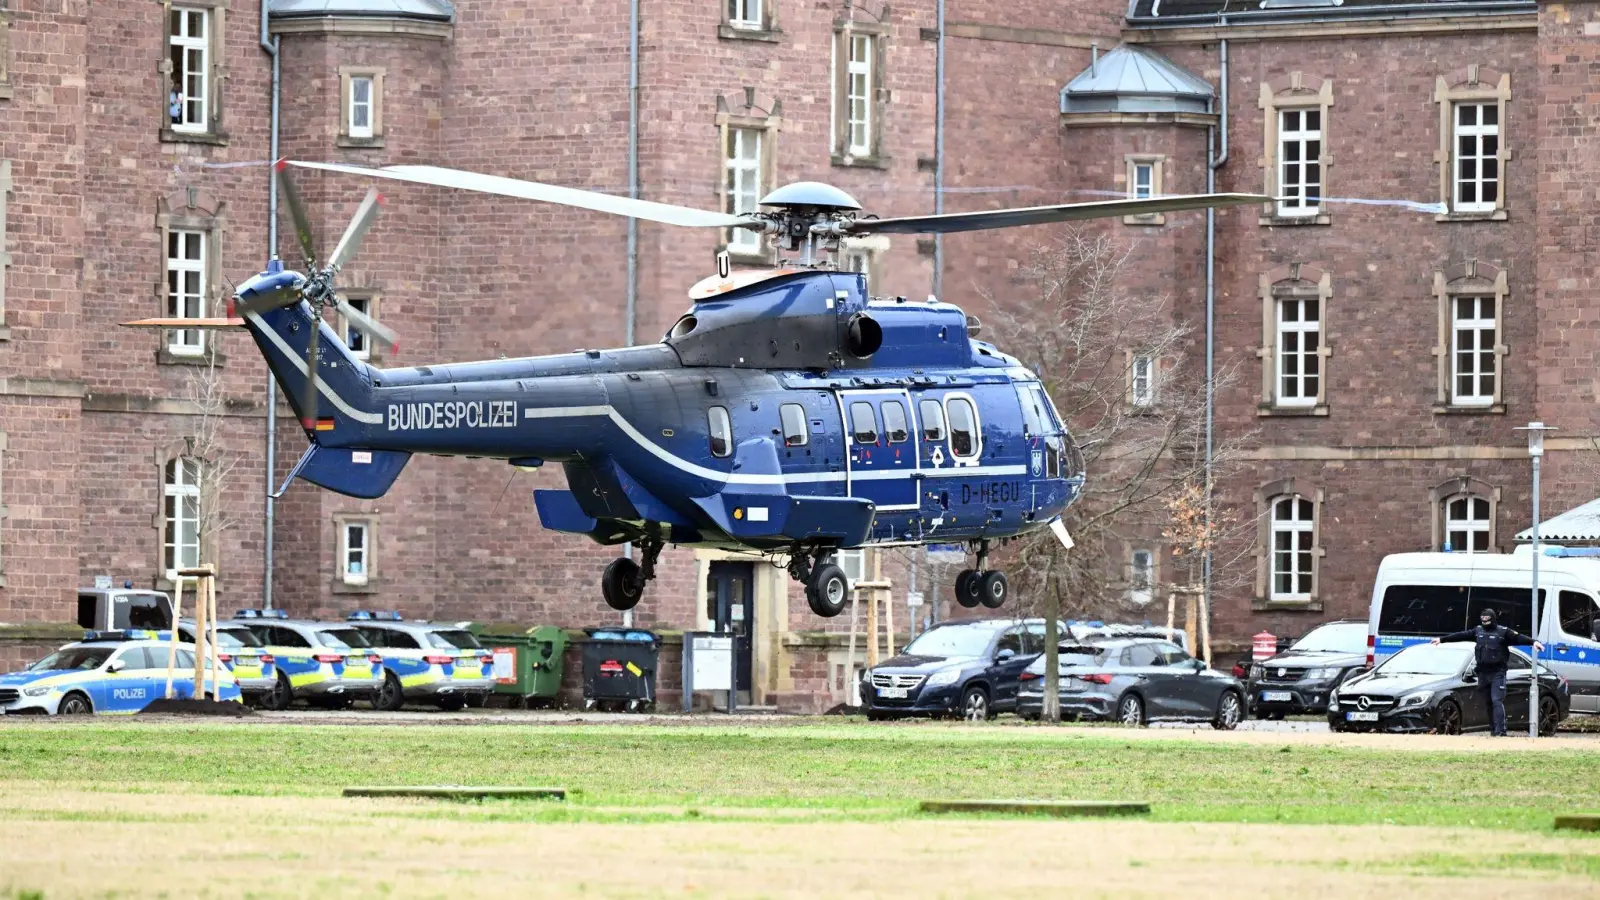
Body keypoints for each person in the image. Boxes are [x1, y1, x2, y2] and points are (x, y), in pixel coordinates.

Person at [1432, 608, 1543, 737]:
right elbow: (1461, 635)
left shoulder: (1503, 632)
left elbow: (1518, 637)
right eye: (1482, 619)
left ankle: (1500, 732)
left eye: (1487, 619)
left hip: (1497, 673)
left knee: (1497, 700)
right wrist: (1442, 639)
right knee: (1488, 702)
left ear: (1492, 619)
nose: (1485, 621)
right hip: (1482, 673)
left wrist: (1533, 642)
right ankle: (1493, 730)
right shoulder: (1478, 631)